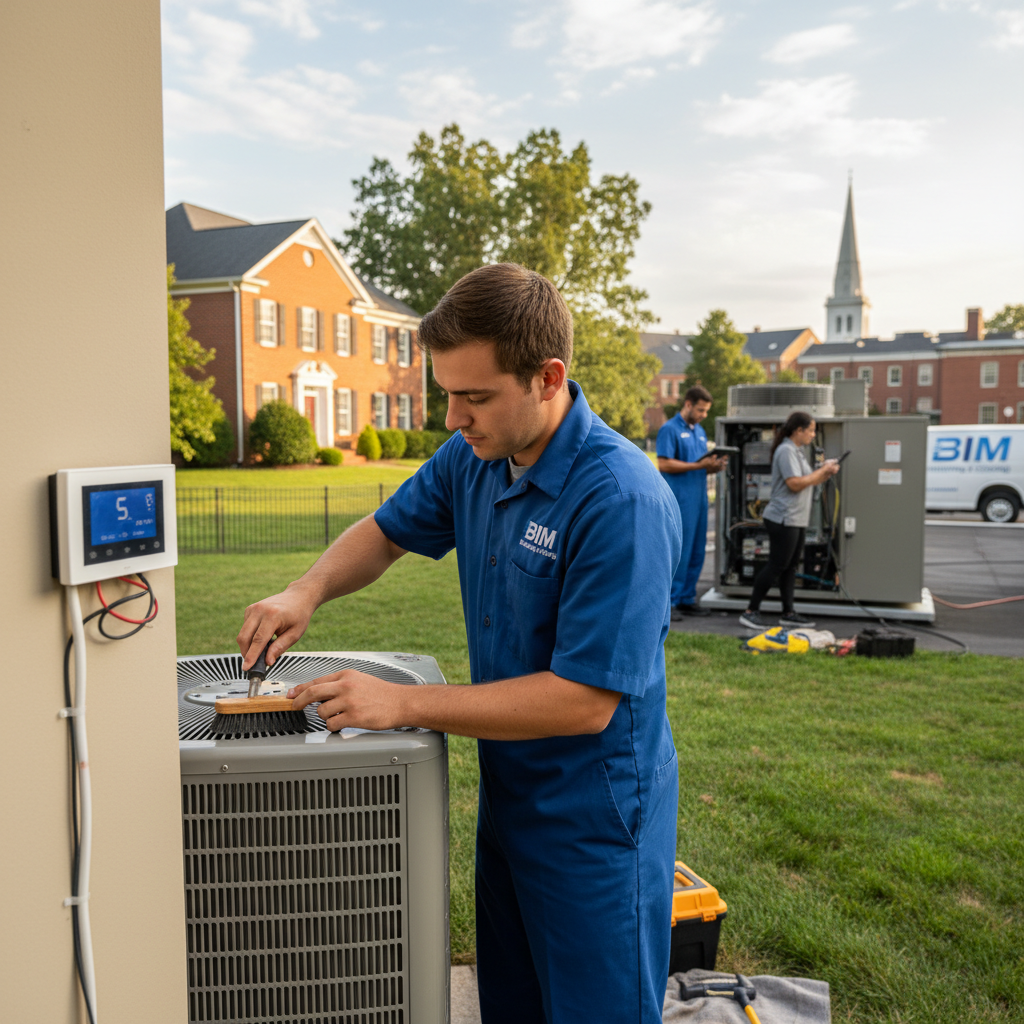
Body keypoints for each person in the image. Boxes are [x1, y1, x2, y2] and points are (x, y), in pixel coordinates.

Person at [237, 263, 683, 1024]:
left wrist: (403, 703)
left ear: (548, 378)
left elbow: (583, 701)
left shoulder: (621, 498)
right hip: (511, 803)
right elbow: (386, 531)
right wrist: (304, 589)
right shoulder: (475, 457)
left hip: (595, 819)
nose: (452, 417)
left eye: (474, 396)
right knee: (511, 1003)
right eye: (446, 392)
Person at [738, 411, 839, 631]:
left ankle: (788, 612)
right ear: (798, 430)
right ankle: (750, 611)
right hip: (784, 518)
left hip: (796, 519)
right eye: (810, 430)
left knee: (790, 567)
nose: (813, 435)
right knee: (777, 564)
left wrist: (825, 472)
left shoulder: (797, 451)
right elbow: (794, 483)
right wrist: (821, 471)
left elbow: (807, 480)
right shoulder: (786, 451)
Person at [656, 385, 728, 618]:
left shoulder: (699, 431)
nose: (703, 415)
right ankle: (670, 603)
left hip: (699, 500)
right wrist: (700, 465)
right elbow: (664, 464)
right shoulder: (669, 429)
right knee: (679, 552)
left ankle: (687, 597)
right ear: (688, 404)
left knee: (698, 551)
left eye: (706, 411)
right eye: (700, 410)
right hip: (680, 500)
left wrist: (712, 467)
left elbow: (697, 466)